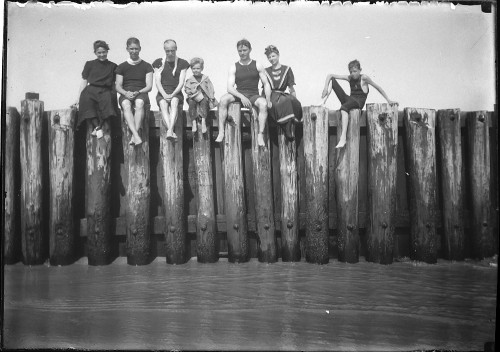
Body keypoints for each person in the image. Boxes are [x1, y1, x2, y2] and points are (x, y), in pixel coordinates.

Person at [321, 59, 397, 148]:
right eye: (351, 72)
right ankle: (323, 102)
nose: (353, 74)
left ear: (360, 70)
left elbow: (378, 87)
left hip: (358, 103)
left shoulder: (364, 78)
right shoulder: (349, 78)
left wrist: (389, 100)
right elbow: (330, 75)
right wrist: (325, 88)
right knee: (333, 80)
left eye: (355, 71)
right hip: (350, 100)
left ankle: (343, 137)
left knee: (344, 108)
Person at [215, 39, 272, 147]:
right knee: (223, 100)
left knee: (263, 104)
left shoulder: (257, 65)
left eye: (245, 50)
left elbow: (266, 83)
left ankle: (260, 134)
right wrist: (241, 97)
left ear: (250, 50)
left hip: (253, 94)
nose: (242, 53)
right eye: (240, 51)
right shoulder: (234, 66)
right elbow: (229, 87)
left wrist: (268, 99)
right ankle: (221, 131)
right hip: (239, 93)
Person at [74, 40, 118, 138]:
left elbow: (114, 84)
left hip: (105, 90)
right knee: (86, 99)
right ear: (95, 53)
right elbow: (84, 81)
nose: (102, 55)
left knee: (108, 102)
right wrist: (77, 98)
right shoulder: (89, 64)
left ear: (107, 51)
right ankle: (97, 127)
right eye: (99, 53)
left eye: (104, 52)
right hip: (91, 90)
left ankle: (100, 127)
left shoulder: (113, 66)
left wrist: (114, 96)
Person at [115, 37, 153, 146]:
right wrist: (125, 93)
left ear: (140, 49)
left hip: (141, 92)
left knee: (139, 103)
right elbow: (118, 86)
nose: (134, 51)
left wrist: (138, 92)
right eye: (131, 49)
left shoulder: (147, 66)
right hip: (125, 93)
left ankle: (134, 135)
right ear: (127, 49)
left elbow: (149, 86)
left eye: (136, 49)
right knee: (126, 105)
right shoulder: (121, 66)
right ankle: (136, 136)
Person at [152, 39, 190, 141]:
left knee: (174, 102)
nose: (170, 53)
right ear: (164, 50)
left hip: (176, 92)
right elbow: (157, 82)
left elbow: (181, 82)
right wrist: (164, 94)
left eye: (172, 50)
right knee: (163, 104)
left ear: (176, 49)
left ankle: (169, 130)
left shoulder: (183, 63)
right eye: (167, 51)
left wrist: (173, 94)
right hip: (162, 92)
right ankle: (170, 131)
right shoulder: (158, 62)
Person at [264, 45, 302, 141]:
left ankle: (291, 123)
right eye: (269, 57)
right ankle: (286, 127)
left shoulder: (287, 69)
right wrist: (267, 100)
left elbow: (291, 87)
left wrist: (295, 99)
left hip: (282, 93)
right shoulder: (266, 71)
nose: (271, 59)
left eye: (273, 56)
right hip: (271, 94)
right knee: (283, 101)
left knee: (294, 102)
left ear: (278, 55)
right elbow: (266, 87)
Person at [184, 57, 218, 134]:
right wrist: (192, 91)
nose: (196, 70)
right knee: (192, 102)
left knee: (204, 101)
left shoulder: (205, 78)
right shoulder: (190, 79)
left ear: (202, 68)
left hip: (204, 96)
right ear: (191, 69)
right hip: (193, 96)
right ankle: (193, 122)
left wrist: (211, 96)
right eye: (194, 68)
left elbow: (210, 88)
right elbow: (186, 89)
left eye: (198, 68)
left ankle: (203, 121)